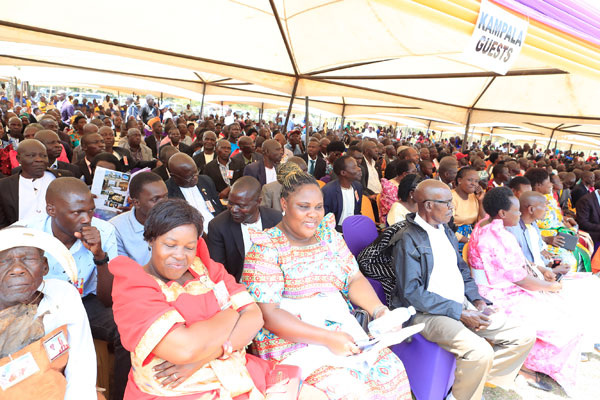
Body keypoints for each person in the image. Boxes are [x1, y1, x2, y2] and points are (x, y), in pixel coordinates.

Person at [109, 199, 322, 399]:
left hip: (237, 374)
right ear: (150, 239)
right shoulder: (134, 286)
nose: (180, 255)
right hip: (179, 391)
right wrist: (231, 314)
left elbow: (254, 317)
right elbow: (185, 349)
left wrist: (204, 356)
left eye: (189, 247)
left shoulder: (206, 269)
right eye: (170, 245)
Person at [243, 171, 412, 399]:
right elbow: (270, 314)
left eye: (318, 207)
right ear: (284, 204)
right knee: (350, 390)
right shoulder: (266, 248)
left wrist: (379, 311)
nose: (313, 214)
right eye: (303, 207)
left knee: (392, 370)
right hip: (293, 341)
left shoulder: (328, 237)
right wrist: (327, 338)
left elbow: (354, 278)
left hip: (342, 330)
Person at [392, 180, 535, 400]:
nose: (452, 207)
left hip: (461, 304)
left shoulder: (445, 230)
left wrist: (477, 300)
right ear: (428, 205)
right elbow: (412, 293)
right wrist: (458, 311)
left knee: (523, 335)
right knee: (480, 352)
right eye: (447, 203)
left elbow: (462, 271)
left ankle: (473, 381)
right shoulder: (407, 238)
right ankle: (462, 394)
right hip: (427, 313)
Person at [16, 177, 128, 400]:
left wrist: (99, 255)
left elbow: (108, 299)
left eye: (90, 211)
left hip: (86, 301)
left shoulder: (104, 231)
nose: (86, 219)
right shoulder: (29, 233)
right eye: (77, 212)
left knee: (126, 328)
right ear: (51, 210)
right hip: (37, 304)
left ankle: (121, 396)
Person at [467, 187, 584, 395]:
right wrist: (550, 286)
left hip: (500, 288)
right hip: (497, 294)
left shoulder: (488, 224)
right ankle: (526, 366)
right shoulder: (495, 237)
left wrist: (541, 270)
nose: (520, 214)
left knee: (563, 310)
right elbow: (519, 278)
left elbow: (517, 265)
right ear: (502, 213)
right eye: (516, 210)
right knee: (564, 324)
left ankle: (531, 363)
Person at [0, 227, 96, 399]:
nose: (17, 269)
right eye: (3, 261)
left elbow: (81, 363)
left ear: (45, 266)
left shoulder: (62, 295)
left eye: (28, 259)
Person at [207, 177, 282, 281]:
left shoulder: (276, 219)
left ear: (258, 201)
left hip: (274, 281)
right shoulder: (218, 226)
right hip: (237, 284)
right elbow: (218, 270)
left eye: (241, 206)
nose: (233, 209)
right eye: (230, 203)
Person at [0, 139, 75, 228]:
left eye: (44, 156)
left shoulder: (63, 178)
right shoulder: (4, 186)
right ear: (19, 159)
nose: (39, 159)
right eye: (32, 155)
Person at [525, 168, 588, 271]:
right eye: (548, 182)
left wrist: (570, 229)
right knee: (568, 260)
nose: (551, 185)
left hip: (555, 235)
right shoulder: (530, 202)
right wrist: (546, 239)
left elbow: (557, 219)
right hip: (541, 239)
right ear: (538, 185)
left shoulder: (548, 197)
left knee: (583, 249)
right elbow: (528, 229)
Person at [109, 172, 168, 266]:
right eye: (155, 199)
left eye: (165, 197)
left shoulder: (176, 220)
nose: (164, 204)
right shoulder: (115, 228)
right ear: (136, 203)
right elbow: (122, 269)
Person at [166, 153, 224, 234]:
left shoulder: (206, 181)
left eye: (196, 173)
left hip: (217, 228)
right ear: (174, 176)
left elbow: (218, 207)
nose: (195, 178)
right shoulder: (167, 191)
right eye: (190, 177)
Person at [322, 155, 363, 231]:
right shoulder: (328, 191)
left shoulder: (358, 187)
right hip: (334, 231)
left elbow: (357, 212)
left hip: (353, 229)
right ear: (343, 173)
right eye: (354, 167)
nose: (359, 169)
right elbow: (324, 220)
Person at [451, 167, 485, 253]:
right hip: (454, 239)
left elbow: (481, 222)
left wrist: (481, 201)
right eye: (470, 180)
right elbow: (447, 227)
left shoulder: (473, 197)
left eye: (476, 181)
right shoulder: (451, 197)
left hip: (471, 238)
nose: (474, 184)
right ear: (459, 180)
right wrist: (469, 241)